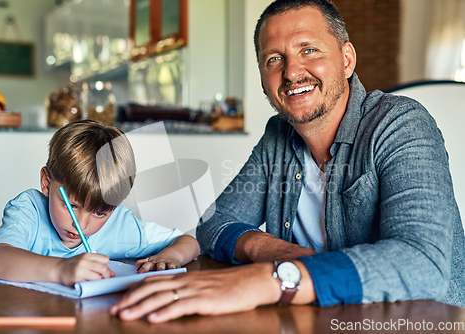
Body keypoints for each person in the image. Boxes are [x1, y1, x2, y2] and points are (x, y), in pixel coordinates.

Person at [110, 0, 465, 323]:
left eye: (309, 50)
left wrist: (275, 278)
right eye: (274, 59)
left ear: (346, 59)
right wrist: (276, 250)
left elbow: (423, 262)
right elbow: (214, 222)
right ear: (264, 81)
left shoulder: (400, 123)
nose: (293, 72)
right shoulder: (278, 135)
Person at [0, 120, 199, 286]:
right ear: (46, 182)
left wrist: (170, 257)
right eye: (72, 206)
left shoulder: (121, 225)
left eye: (100, 213)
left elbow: (189, 242)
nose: (81, 225)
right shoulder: (29, 209)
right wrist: (62, 270)